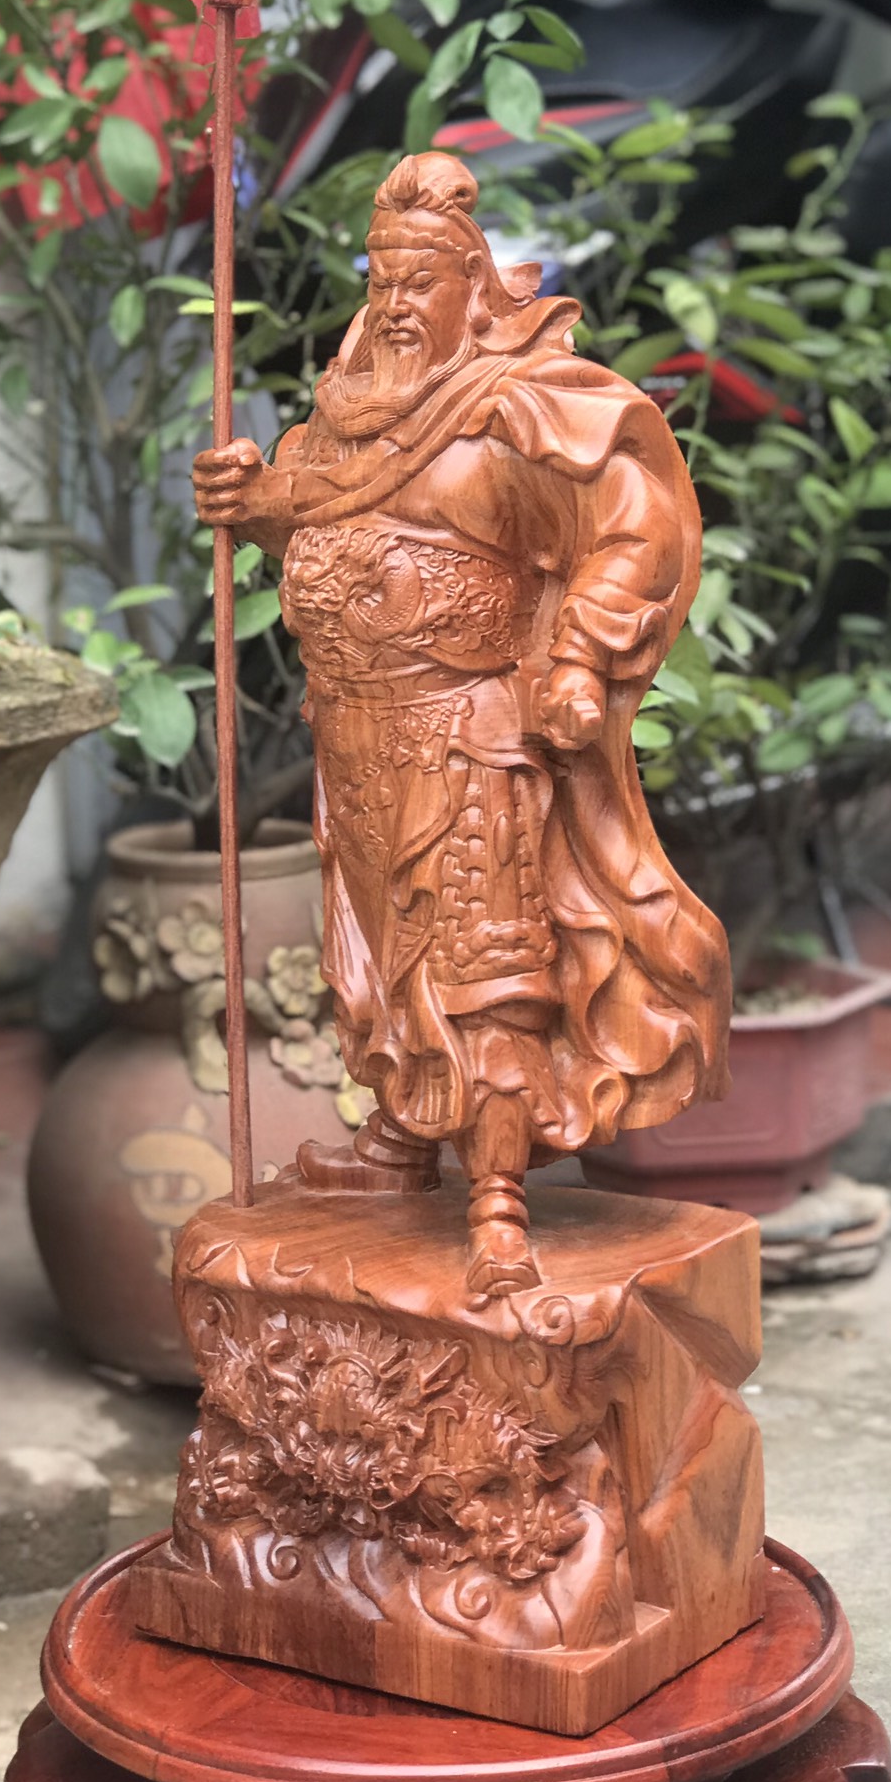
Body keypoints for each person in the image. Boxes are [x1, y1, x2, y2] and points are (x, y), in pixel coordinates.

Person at [194, 152, 729, 1299]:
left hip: (468, 733)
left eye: (420, 282)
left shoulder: (517, 407)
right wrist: (257, 506)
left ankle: (496, 1199)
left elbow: (635, 523)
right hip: (355, 732)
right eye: (381, 280)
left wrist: (580, 655)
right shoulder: (346, 422)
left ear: (471, 287)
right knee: (381, 959)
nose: (395, 305)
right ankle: (402, 1138)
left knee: (488, 960)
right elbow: (321, 520)